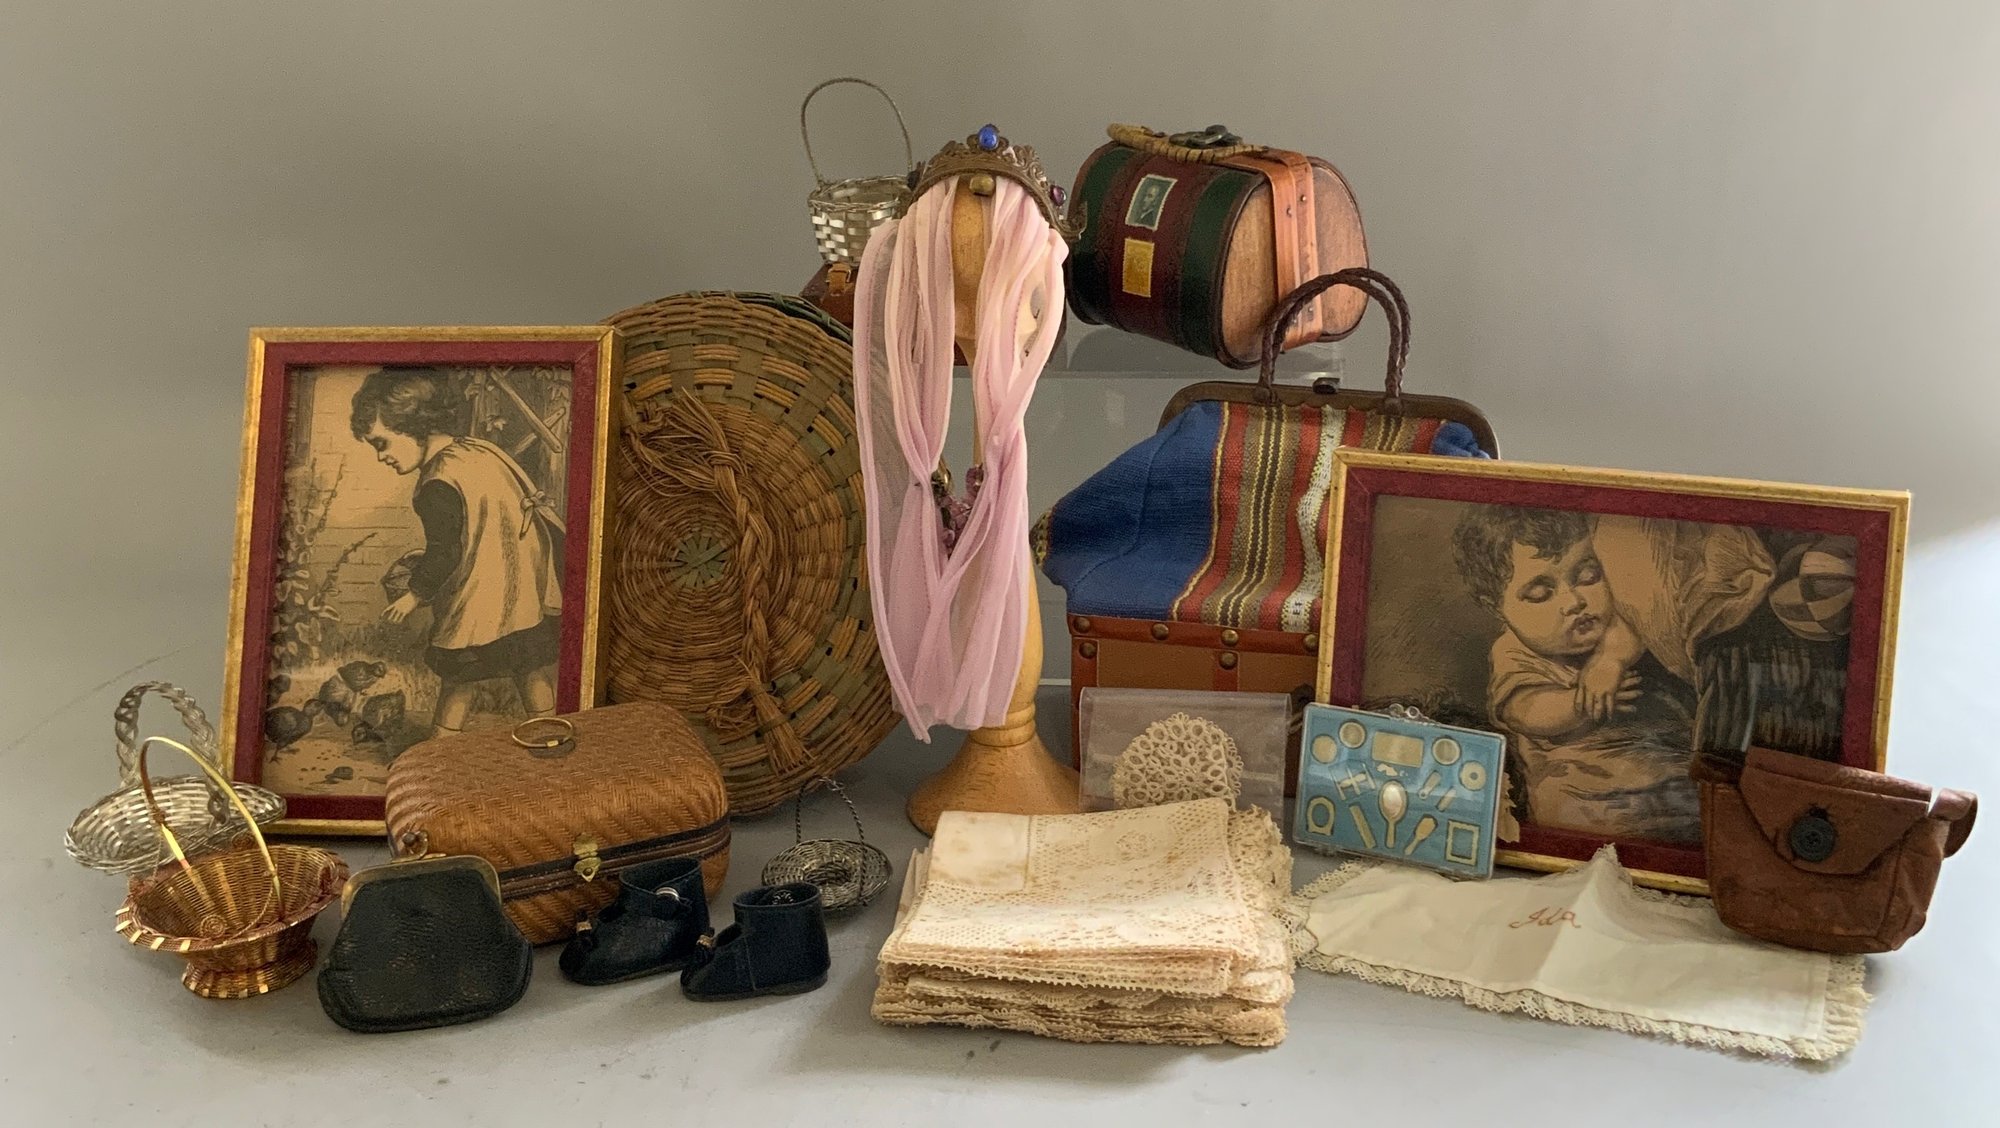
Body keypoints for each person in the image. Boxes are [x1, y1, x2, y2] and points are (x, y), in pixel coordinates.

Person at [1453, 505, 1698, 844]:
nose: (1574, 601)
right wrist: (1581, 703)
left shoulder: (1619, 617)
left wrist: (1609, 662)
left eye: (1587, 576)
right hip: (1586, 805)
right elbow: (1525, 709)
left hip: (1677, 785)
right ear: (1496, 607)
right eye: (1540, 594)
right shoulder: (1512, 652)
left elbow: (1634, 627)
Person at [350, 368, 563, 736]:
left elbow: (445, 553)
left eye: (382, 443)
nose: (381, 456)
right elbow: (482, 524)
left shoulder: (437, 483)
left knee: (459, 677)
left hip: (480, 600)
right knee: (529, 668)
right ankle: (552, 736)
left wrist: (414, 595)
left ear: (413, 424)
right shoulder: (479, 450)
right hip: (522, 592)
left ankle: (441, 748)